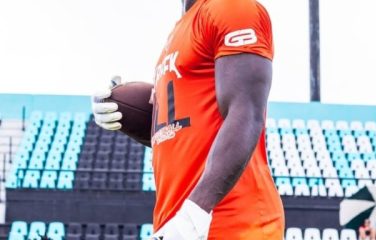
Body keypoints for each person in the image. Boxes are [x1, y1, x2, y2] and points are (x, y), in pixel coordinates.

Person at [92, 0, 284, 239]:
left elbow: (246, 113)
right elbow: (180, 131)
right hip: (179, 221)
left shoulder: (233, 7)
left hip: (234, 224)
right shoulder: (181, 29)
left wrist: (195, 212)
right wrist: (121, 109)